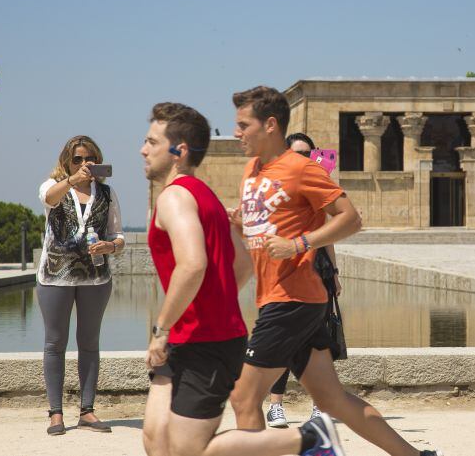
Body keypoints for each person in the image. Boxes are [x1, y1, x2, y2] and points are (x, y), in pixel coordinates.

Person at [228, 86, 443, 456]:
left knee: (243, 400)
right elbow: (262, 234)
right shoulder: (252, 171)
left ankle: (314, 441)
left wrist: (300, 244)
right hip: (285, 300)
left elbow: (351, 219)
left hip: (292, 299)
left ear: (270, 125)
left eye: (243, 125)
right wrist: (238, 222)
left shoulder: (301, 169)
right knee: (331, 399)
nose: (236, 133)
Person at [140, 102, 345, 456]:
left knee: (189, 450)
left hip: (205, 342)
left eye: (152, 142)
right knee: (157, 442)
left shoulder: (174, 198)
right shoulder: (205, 197)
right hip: (188, 336)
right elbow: (244, 266)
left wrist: (160, 328)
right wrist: (210, 304)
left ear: (179, 151)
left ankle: (311, 437)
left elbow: (192, 265)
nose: (143, 150)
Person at [37, 135, 125, 436]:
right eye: (78, 158)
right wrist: (72, 179)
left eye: (90, 158)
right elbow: (49, 201)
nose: (85, 163)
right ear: (67, 161)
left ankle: (87, 410)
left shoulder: (108, 193)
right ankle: (55, 413)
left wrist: (110, 247)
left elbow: (119, 234)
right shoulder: (52, 186)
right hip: (55, 276)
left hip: (95, 278)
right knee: (55, 343)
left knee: (89, 343)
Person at [266, 132, 343, 429]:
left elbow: (329, 233)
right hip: (285, 271)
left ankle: (319, 406)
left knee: (319, 339)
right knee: (282, 338)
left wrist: (334, 273)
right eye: (297, 153)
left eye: (308, 154)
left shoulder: (319, 185)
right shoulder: (274, 187)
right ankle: (275, 406)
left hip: (318, 270)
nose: (303, 159)